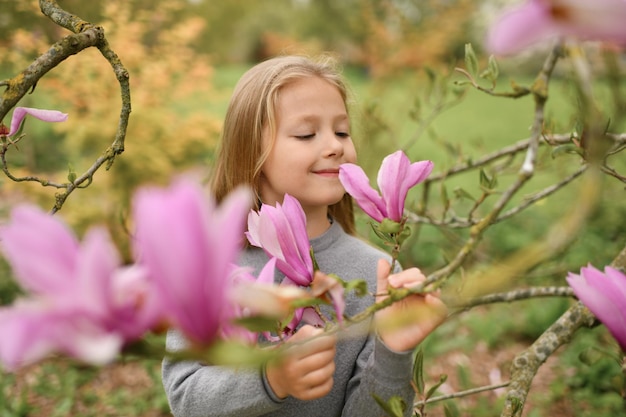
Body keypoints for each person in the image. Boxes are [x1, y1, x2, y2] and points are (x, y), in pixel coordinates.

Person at [161, 54, 447, 417]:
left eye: (342, 131)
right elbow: (185, 396)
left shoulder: (377, 272)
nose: (335, 146)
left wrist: (393, 353)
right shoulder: (207, 265)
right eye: (306, 133)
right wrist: (270, 378)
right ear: (251, 152)